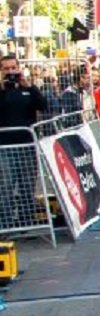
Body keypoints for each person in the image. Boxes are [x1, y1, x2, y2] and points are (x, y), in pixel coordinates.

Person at [0, 54, 50, 228]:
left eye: (13, 68)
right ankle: (5, 225)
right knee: (5, 187)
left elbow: (43, 106)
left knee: (27, 186)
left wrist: (30, 87)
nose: (10, 72)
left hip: (28, 144)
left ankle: (26, 223)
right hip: (5, 146)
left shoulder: (28, 89)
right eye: (6, 69)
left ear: (19, 68)